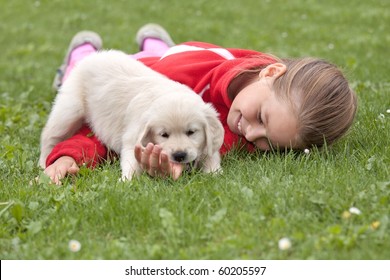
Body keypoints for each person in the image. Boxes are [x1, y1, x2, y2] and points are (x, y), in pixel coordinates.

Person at [42, 24, 357, 184]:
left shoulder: (256, 111)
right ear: (271, 72)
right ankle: (81, 54)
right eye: (260, 117)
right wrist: (69, 154)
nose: (249, 133)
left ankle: (157, 42)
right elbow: (111, 119)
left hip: (172, 61)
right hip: (150, 67)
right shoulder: (183, 78)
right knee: (78, 78)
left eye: (266, 143)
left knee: (166, 55)